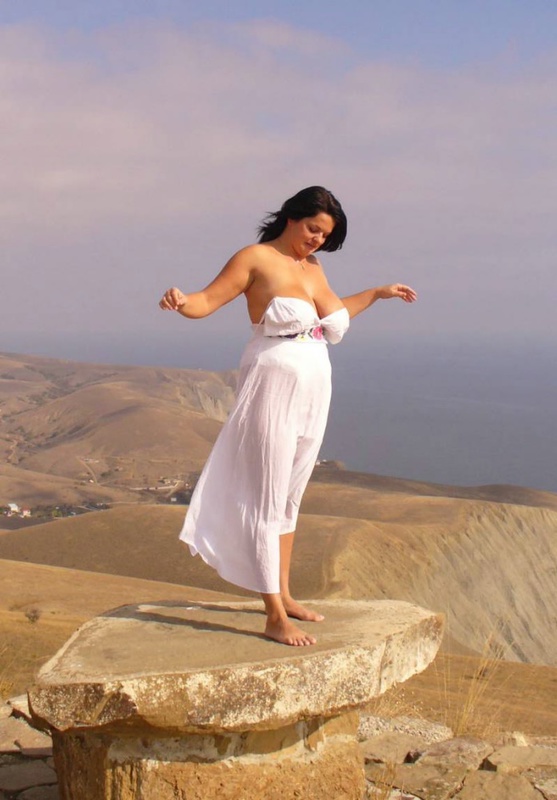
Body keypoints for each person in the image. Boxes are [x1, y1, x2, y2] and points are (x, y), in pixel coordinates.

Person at [159, 186, 416, 647]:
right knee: (267, 494)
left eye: (326, 236)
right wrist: (180, 300)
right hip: (272, 383)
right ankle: (274, 615)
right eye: (314, 229)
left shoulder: (313, 268)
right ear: (292, 217)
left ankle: (287, 595)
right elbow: (205, 301)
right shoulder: (255, 258)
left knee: (290, 497)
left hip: (315, 388)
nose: (318, 240)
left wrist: (377, 294)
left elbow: (331, 319)